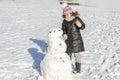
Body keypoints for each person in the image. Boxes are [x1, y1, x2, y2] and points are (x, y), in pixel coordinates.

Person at [61, 4, 85, 73]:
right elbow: (63, 29)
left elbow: (83, 26)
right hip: (68, 41)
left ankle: (78, 68)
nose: (67, 15)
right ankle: (67, 67)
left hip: (76, 40)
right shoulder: (64, 21)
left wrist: (80, 25)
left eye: (68, 13)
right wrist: (64, 34)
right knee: (68, 55)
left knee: (77, 54)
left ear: (71, 12)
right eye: (66, 14)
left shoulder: (76, 18)